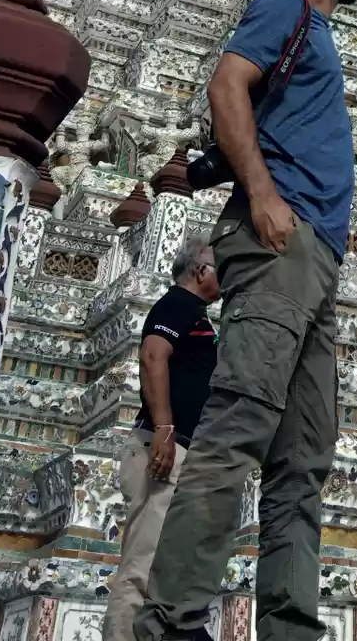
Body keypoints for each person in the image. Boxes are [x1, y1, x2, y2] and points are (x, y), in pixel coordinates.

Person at [135, 0, 357, 641]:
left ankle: (289, 625)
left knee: (304, 456)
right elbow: (227, 84)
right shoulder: (284, 7)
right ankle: (171, 617)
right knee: (240, 424)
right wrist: (262, 195)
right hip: (277, 237)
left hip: (317, 253)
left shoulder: (319, 31)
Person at [102, 240, 220, 641]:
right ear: (201, 271)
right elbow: (153, 357)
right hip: (162, 445)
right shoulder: (177, 305)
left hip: (182, 448)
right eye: (222, 267)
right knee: (142, 566)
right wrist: (165, 431)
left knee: (167, 568)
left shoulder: (197, 315)